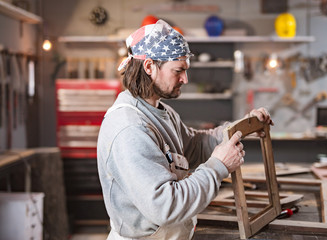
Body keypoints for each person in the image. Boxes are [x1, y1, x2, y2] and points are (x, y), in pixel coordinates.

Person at [97, 19, 272, 240]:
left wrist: (242, 127)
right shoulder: (130, 129)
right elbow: (165, 206)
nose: (185, 79)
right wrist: (218, 166)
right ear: (150, 67)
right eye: (178, 70)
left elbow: (194, 146)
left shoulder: (162, 112)